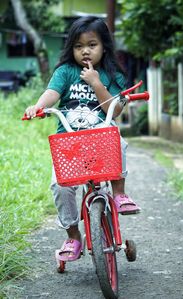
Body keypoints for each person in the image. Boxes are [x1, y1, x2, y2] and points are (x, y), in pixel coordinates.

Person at [25, 16, 140, 262]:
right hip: (70, 145)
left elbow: (116, 109)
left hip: (102, 142)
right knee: (60, 186)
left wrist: (96, 82)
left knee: (118, 141)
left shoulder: (112, 74)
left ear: (104, 47)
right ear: (71, 49)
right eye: (78, 46)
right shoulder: (66, 72)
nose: (85, 50)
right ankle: (73, 237)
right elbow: (51, 94)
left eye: (92, 44)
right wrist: (38, 106)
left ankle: (119, 194)